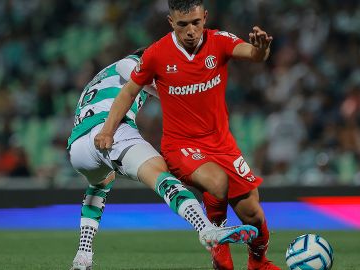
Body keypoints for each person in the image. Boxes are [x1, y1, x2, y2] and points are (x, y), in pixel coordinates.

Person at [96, 1, 280, 269]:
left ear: (205, 17)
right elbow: (129, 91)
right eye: (183, 24)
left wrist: (261, 50)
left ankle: (258, 263)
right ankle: (218, 246)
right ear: (171, 22)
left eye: (196, 22)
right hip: (181, 146)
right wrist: (107, 130)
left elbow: (252, 53)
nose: (191, 31)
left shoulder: (219, 41)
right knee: (216, 182)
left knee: (252, 212)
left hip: (222, 144)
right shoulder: (157, 53)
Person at [67, 48, 259, 270]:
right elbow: (136, 74)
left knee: (101, 183)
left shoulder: (103, 76)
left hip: (79, 147)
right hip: (108, 129)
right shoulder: (129, 62)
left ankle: (83, 256)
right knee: (159, 172)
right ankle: (207, 229)